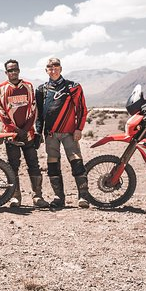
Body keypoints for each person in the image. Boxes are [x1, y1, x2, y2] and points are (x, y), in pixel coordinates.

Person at [35, 57, 91, 208]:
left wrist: (79, 128)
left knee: (76, 162)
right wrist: (38, 132)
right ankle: (59, 197)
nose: (53, 70)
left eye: (56, 67)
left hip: (69, 133)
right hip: (50, 134)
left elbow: (81, 109)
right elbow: (39, 114)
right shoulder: (41, 89)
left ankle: (83, 197)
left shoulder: (73, 87)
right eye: (49, 68)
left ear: (60, 69)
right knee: (52, 164)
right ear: (46, 70)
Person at [0, 59, 49, 208]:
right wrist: (15, 130)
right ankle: (15, 197)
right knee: (13, 166)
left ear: (19, 70)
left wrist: (25, 129)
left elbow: (33, 108)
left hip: (28, 134)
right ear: (6, 72)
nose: (13, 72)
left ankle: (37, 196)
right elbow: (0, 112)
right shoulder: (0, 89)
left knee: (34, 164)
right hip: (11, 135)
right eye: (10, 70)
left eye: (15, 69)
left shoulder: (28, 87)